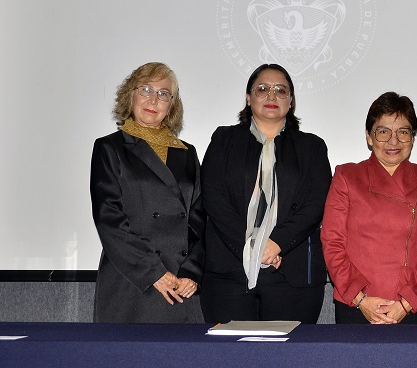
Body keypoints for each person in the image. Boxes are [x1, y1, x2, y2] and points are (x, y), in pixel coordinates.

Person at [201, 63, 331, 324]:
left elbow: (316, 202)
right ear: (248, 98)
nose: (272, 96)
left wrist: (276, 243)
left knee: (289, 362)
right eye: (262, 89)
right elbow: (213, 198)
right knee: (232, 360)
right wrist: (251, 246)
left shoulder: (312, 147)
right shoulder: (223, 140)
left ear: (291, 101)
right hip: (229, 271)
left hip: (291, 274)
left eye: (281, 90)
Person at [90, 62, 204, 323]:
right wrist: (153, 272)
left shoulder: (187, 152)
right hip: (133, 280)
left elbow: (199, 220)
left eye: (164, 93)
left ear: (171, 105)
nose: (154, 99)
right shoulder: (110, 148)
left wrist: (193, 272)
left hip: (180, 285)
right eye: (146, 89)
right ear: (130, 95)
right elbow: (109, 219)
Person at [321, 92, 417, 324]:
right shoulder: (347, 176)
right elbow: (332, 242)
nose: (393, 141)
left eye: (403, 132)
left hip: (411, 306)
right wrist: (361, 300)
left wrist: (406, 303)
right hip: (356, 304)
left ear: (412, 138)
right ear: (369, 137)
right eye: (383, 131)